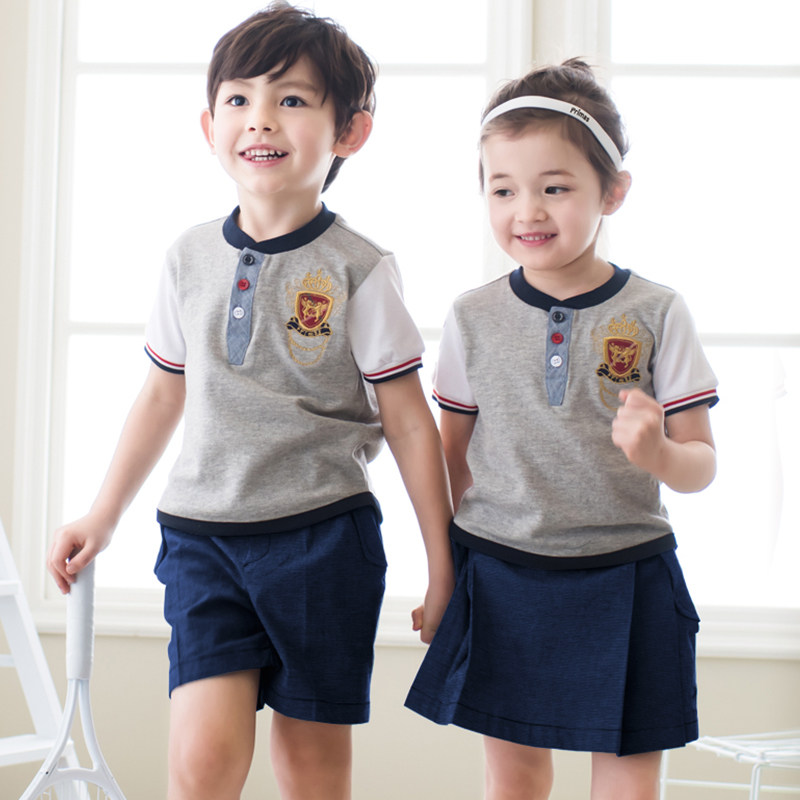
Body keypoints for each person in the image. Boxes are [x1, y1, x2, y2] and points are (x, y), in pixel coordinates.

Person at [47, 5, 454, 799]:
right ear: (210, 126)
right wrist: (102, 515)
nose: (260, 119)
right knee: (200, 764)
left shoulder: (361, 268)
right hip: (202, 538)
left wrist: (443, 566)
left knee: (310, 769)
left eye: (291, 99)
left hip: (322, 542)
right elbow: (162, 392)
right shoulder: (188, 256)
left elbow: (410, 422)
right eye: (239, 99)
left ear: (350, 132)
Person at [405, 59, 718, 800]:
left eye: (555, 188)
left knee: (629, 787)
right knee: (514, 780)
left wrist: (658, 452)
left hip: (627, 575)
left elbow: (701, 463)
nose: (528, 211)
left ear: (613, 192)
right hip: (502, 574)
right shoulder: (471, 316)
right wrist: (444, 575)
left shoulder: (658, 311)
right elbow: (451, 457)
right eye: (503, 189)